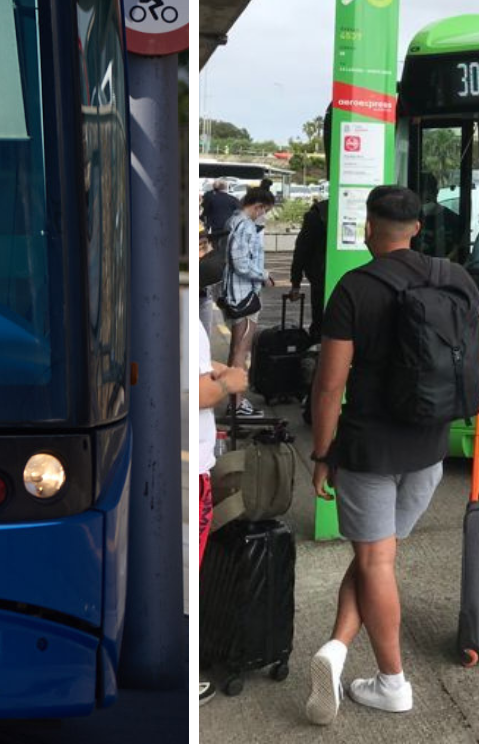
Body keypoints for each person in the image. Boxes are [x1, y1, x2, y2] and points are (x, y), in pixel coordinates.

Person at [305, 185, 479, 722]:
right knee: (374, 559)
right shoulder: (454, 276)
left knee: (374, 559)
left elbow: (328, 385)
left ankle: (393, 683)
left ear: (368, 227)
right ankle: (337, 649)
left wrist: (322, 453)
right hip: (430, 449)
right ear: (417, 227)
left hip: (369, 449)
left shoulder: (354, 289)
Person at [193, 295, 249, 706]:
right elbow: (195, 393)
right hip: (192, 466)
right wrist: (227, 383)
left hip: (191, 461)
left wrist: (217, 370)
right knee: (193, 563)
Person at [219, 185, 276, 418]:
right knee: (241, 350)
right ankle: (237, 403)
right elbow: (241, 263)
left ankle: (235, 400)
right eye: (265, 210)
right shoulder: (246, 226)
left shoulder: (232, 221)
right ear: (259, 206)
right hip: (243, 295)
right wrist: (263, 275)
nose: (264, 215)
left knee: (236, 348)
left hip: (232, 292)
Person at [290, 193, 328, 337]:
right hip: (350, 276)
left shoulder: (316, 215)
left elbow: (301, 250)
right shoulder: (360, 211)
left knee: (319, 319)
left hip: (320, 276)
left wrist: (295, 283)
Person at [200, 177, 240, 241]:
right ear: (226, 188)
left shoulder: (210, 198)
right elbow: (239, 214)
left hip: (215, 230)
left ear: (215, 187)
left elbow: (203, 212)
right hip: (230, 229)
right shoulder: (234, 199)